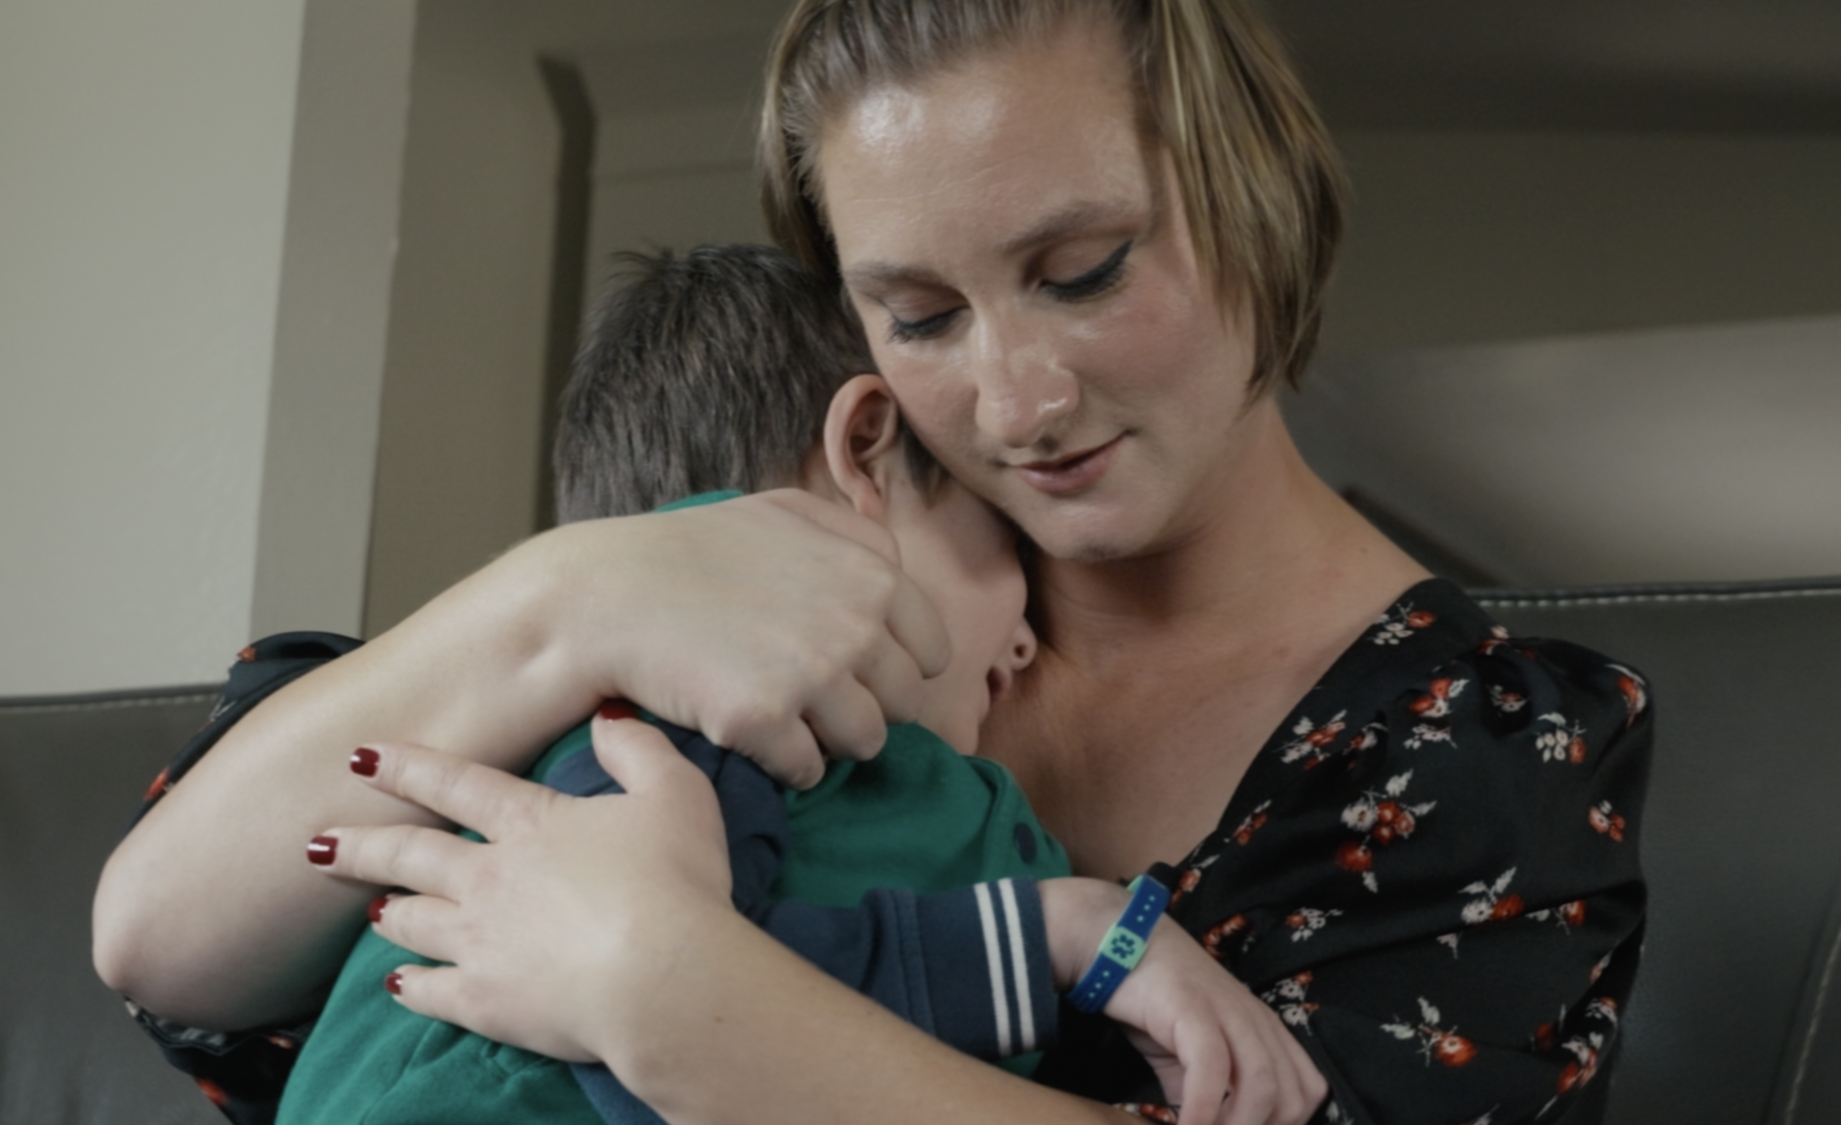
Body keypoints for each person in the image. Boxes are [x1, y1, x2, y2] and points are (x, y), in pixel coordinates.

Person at [95, 0, 1652, 1125]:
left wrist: (667, 993)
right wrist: (564, 593)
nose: (1016, 403)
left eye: (1085, 269)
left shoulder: (1472, 763)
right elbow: (170, 944)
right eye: (920, 316)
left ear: (1255, 199)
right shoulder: (754, 602)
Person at [267, 244, 1320, 1125]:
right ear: (864, 454)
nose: (1027, 644)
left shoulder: (859, 779)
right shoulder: (683, 718)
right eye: (1004, 546)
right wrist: (1067, 934)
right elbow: (643, 1044)